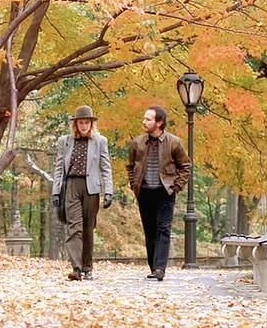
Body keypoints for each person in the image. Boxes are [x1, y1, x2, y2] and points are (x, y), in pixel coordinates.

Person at [126, 105, 191, 281]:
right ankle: (153, 266)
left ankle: (160, 268)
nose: (144, 122)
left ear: (159, 122)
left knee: (164, 229)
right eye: (144, 118)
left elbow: (185, 166)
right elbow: (130, 166)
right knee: (149, 230)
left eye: (148, 119)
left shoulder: (174, 142)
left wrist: (176, 186)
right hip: (145, 191)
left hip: (165, 191)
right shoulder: (137, 143)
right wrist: (134, 185)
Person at [52, 105, 113, 281]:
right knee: (74, 227)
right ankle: (76, 267)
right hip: (71, 185)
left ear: (91, 124)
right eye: (81, 122)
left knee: (88, 228)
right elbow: (58, 167)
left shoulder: (100, 141)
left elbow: (105, 167)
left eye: (87, 122)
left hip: (91, 188)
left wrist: (108, 191)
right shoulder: (65, 141)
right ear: (76, 124)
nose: (84, 126)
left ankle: (88, 267)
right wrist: (56, 191)